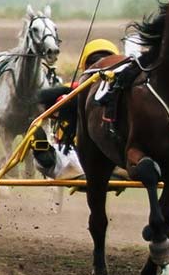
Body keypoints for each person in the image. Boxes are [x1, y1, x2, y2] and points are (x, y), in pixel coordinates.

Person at [31, 39, 120, 179]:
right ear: (85, 68)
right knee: (59, 158)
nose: (101, 68)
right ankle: (47, 158)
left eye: (106, 62)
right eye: (94, 63)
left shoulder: (124, 95)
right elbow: (39, 105)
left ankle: (116, 170)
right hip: (72, 152)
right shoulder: (70, 91)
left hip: (112, 152)